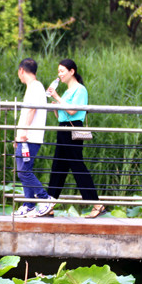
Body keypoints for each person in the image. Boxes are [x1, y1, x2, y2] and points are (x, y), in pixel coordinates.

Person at [45, 58, 105, 218]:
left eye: (62, 71)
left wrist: (57, 98)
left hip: (72, 130)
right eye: (58, 71)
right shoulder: (67, 92)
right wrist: (55, 106)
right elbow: (62, 114)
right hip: (63, 129)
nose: (59, 74)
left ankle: (97, 204)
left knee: (77, 166)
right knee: (58, 167)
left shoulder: (80, 90)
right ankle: (49, 205)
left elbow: (73, 111)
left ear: (72, 71)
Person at [14, 58, 55, 218]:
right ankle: (29, 204)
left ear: (21, 71)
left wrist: (23, 132)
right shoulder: (34, 87)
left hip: (30, 137)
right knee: (23, 170)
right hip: (25, 137)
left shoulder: (35, 87)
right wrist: (18, 136)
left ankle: (45, 200)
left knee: (24, 171)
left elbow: (31, 110)